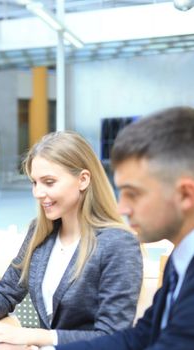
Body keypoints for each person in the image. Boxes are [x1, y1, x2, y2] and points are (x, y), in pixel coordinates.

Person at [0, 131, 143, 348]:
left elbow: (112, 336)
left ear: (83, 179)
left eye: (48, 182)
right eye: (34, 183)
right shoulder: (41, 231)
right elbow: (8, 290)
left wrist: (35, 336)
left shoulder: (118, 244)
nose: (38, 193)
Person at [54, 107, 194, 349]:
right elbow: (139, 337)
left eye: (133, 194)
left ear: (185, 195)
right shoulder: (181, 259)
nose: (122, 209)